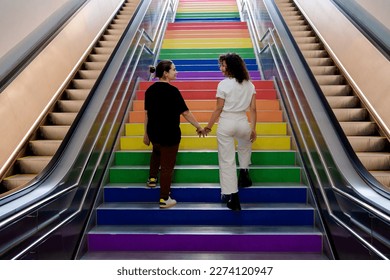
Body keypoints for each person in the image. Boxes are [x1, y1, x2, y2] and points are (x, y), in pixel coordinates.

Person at [143, 60, 205, 209]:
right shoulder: (173, 91)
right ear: (165, 73)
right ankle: (164, 198)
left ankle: (152, 178)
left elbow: (147, 114)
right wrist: (199, 127)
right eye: (174, 70)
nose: (176, 72)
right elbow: (186, 113)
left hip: (154, 133)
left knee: (156, 152)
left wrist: (145, 134)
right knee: (167, 167)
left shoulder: (149, 91)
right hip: (169, 134)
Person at [204, 53, 257, 211]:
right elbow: (253, 109)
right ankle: (245, 171)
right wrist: (253, 128)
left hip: (227, 122)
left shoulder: (223, 85)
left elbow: (218, 109)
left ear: (231, 67)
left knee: (227, 160)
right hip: (242, 121)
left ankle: (233, 196)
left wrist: (208, 126)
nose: (221, 68)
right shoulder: (249, 84)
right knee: (244, 146)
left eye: (223, 65)